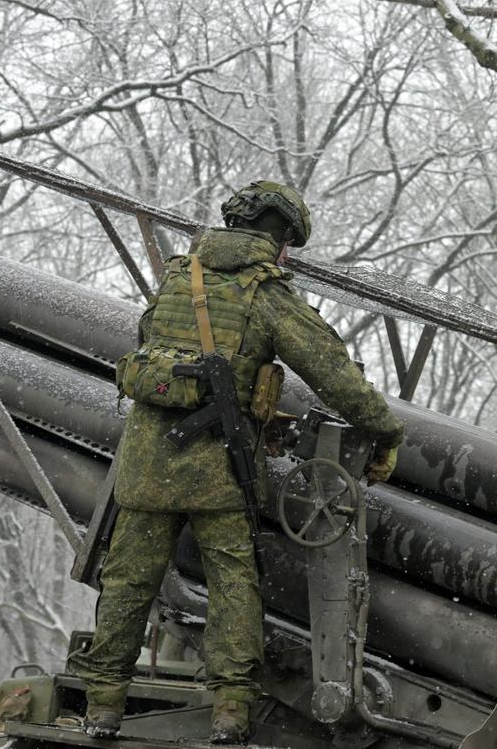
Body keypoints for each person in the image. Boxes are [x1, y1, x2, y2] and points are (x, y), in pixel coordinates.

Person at [68, 180, 403, 745]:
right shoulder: (265, 295)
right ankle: (230, 712)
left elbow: (150, 346)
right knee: (232, 586)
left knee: (127, 583)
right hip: (218, 467)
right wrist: (385, 430)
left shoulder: (179, 278)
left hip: (147, 464)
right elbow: (332, 372)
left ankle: (102, 707)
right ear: (280, 242)